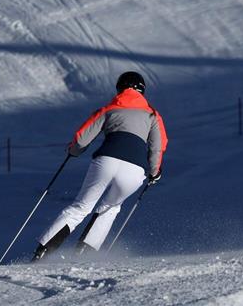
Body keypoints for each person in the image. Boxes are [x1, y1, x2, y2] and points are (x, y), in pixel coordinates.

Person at [33, 71, 168, 261]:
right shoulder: (153, 116)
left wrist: (74, 151)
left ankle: (42, 253)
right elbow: (157, 147)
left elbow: (82, 139)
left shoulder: (109, 109)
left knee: (81, 207)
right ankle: (83, 255)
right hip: (134, 170)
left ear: (120, 88)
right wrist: (154, 172)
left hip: (106, 161)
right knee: (110, 208)